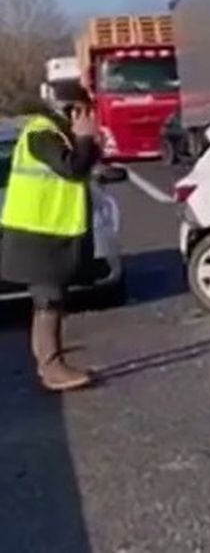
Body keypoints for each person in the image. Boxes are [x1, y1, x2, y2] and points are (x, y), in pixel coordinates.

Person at [0, 84, 101, 391]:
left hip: (48, 232)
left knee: (51, 300)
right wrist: (84, 137)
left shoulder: (55, 135)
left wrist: (88, 142)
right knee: (48, 300)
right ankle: (51, 367)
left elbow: (81, 168)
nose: (87, 117)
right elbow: (72, 169)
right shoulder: (41, 134)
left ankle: (51, 364)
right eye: (82, 110)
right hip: (37, 235)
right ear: (68, 110)